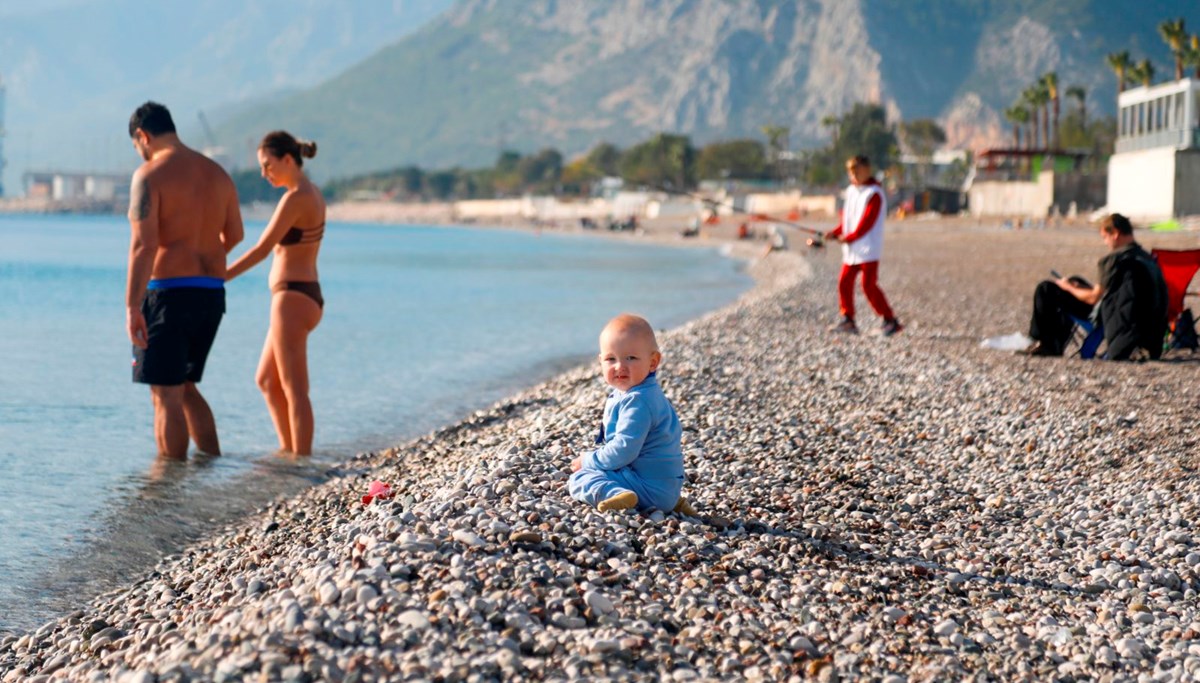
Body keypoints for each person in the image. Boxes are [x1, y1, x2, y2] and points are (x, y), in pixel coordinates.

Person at [125, 101, 244, 460]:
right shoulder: (217, 173)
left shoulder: (149, 176)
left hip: (169, 296)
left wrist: (132, 307)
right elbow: (235, 235)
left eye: (137, 147)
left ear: (143, 136)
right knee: (186, 388)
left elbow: (143, 246)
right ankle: (209, 471)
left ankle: (168, 493)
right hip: (210, 295)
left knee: (165, 395)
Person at [226, 131, 325, 455]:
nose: (264, 173)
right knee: (267, 380)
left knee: (295, 389)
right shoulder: (313, 194)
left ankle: (302, 461)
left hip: (292, 299)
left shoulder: (296, 198)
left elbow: (261, 249)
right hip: (304, 295)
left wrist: (220, 276)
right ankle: (288, 453)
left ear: (287, 159)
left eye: (268, 165)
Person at [568, 314, 695, 515]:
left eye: (631, 358)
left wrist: (588, 460)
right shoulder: (646, 393)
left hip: (651, 489)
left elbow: (623, 451)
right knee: (608, 467)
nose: (620, 367)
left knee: (580, 478)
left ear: (653, 362)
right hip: (665, 487)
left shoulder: (638, 402)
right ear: (600, 361)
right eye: (611, 359)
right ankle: (673, 503)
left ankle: (614, 493)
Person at [1020, 213, 1168, 360]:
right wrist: (1077, 286)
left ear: (1115, 233)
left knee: (1046, 289)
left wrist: (1068, 287)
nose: (1106, 243)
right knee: (1075, 280)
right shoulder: (1145, 257)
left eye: (1105, 237)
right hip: (1144, 321)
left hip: (1112, 318)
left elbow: (1093, 298)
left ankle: (1044, 343)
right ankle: (1053, 343)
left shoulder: (1115, 259)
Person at [824, 155, 903, 336]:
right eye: (851, 171)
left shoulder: (874, 193)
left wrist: (849, 237)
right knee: (844, 282)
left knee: (868, 285)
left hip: (868, 249)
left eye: (857, 170)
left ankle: (890, 320)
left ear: (867, 170)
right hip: (852, 249)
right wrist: (835, 233)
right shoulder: (851, 191)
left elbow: (867, 222)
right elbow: (848, 220)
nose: (854, 174)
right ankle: (848, 320)